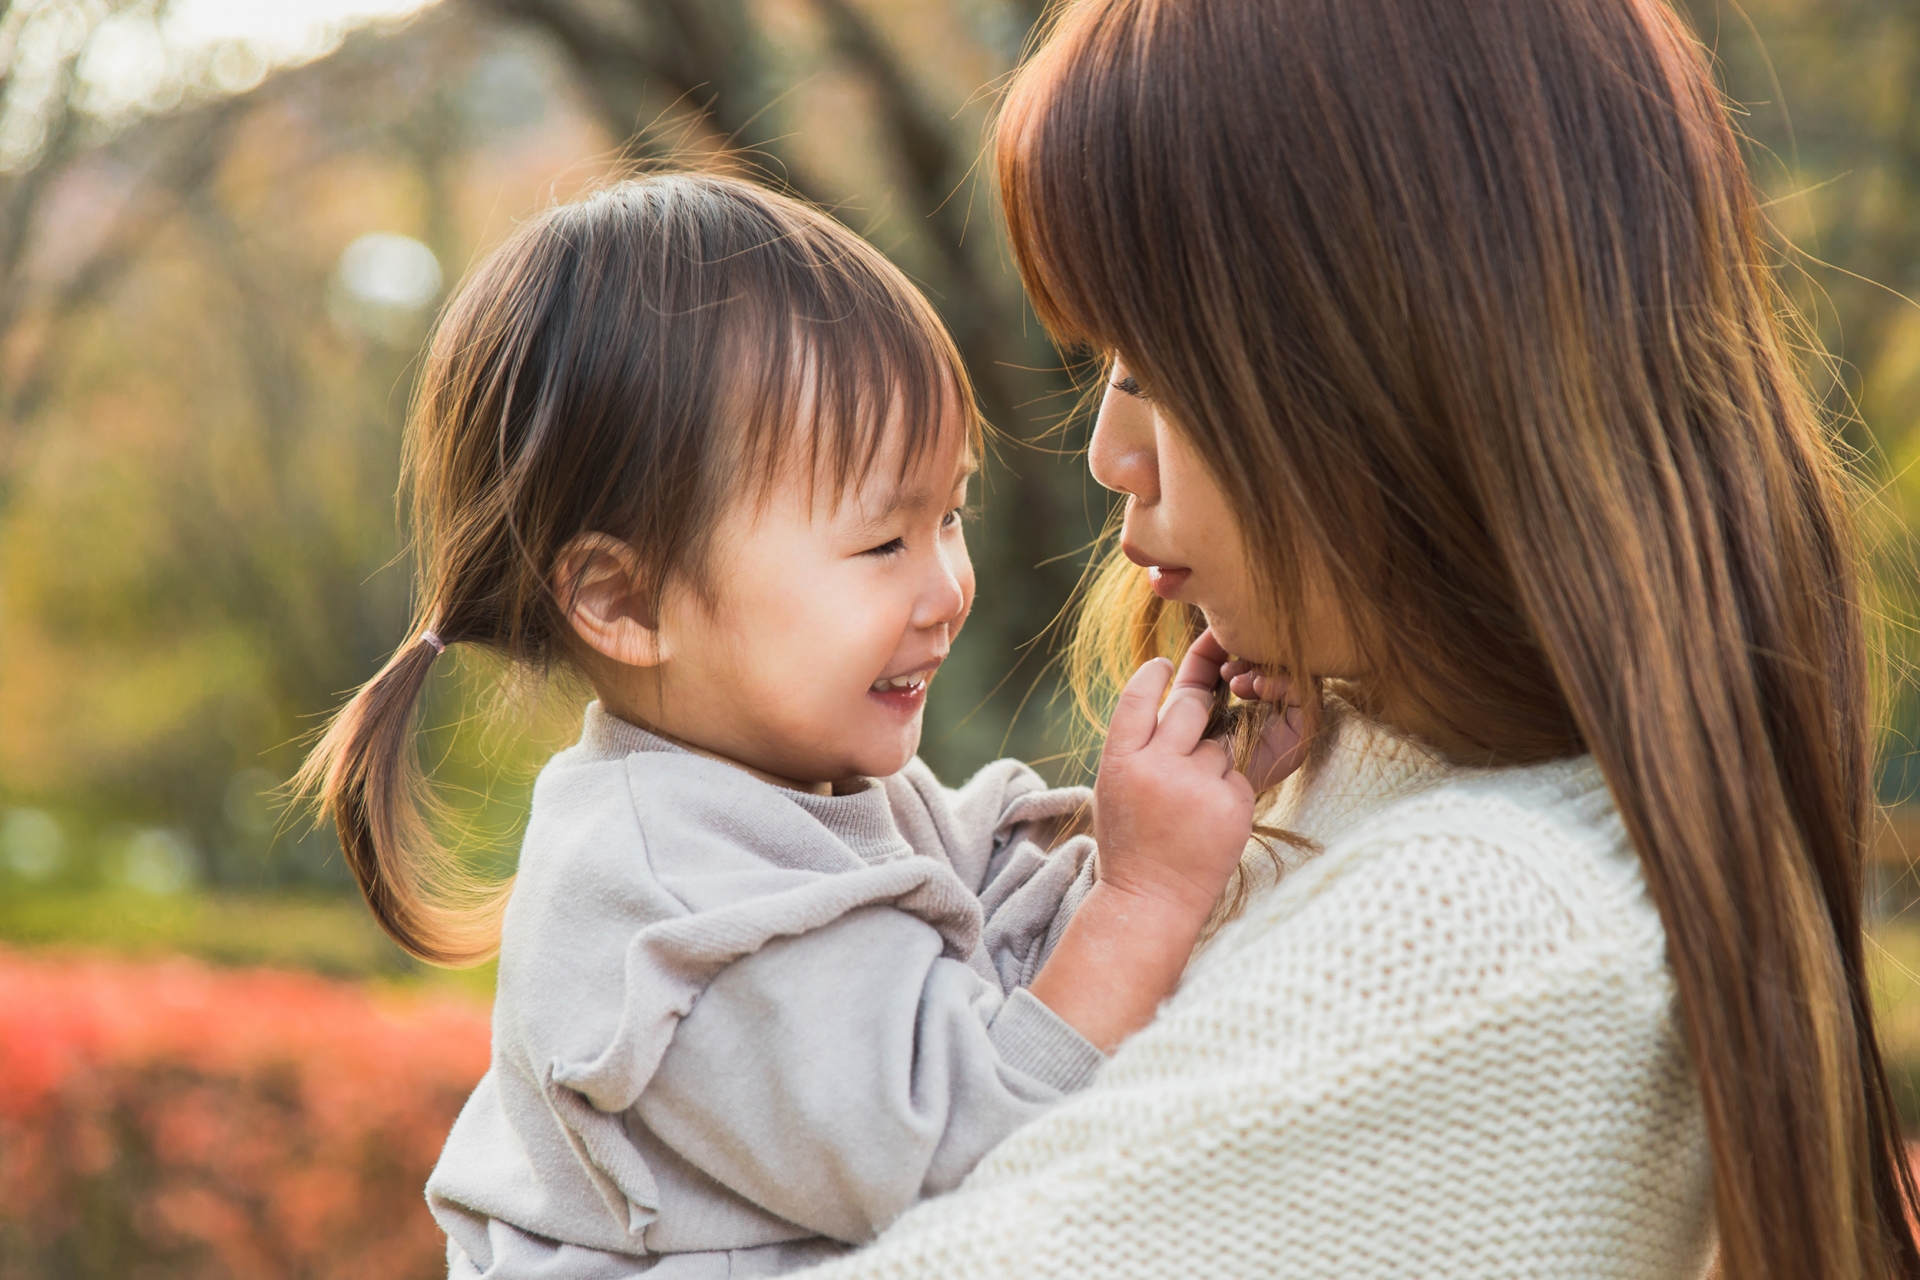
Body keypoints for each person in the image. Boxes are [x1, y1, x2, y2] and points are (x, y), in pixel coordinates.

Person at [790, 0, 1920, 1277]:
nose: (1109, 452)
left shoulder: (1484, 931)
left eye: (1155, 366)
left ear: (1388, 361)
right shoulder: (1360, 756)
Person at [295, 173, 1279, 1278]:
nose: (947, 584)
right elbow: (975, 1154)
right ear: (623, 602)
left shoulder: (800, 791)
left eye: (948, 514)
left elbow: (1001, 928)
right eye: (880, 545)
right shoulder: (671, 903)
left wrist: (1214, 766)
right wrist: (1145, 897)